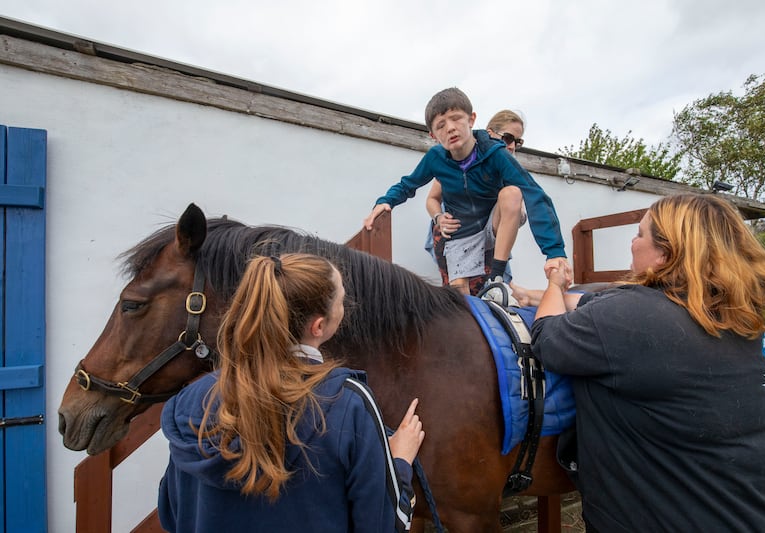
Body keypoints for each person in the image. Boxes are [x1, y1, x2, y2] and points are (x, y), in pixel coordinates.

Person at [530, 193, 765, 532]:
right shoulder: (737, 313)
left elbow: (547, 336)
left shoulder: (632, 318)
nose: (632, 242)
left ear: (666, 253)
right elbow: (607, 301)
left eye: (640, 234)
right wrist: (560, 295)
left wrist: (553, 285)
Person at [158, 253, 425, 533]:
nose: (344, 307)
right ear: (319, 326)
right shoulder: (349, 403)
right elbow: (384, 525)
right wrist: (399, 463)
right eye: (341, 301)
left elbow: (171, 514)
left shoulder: (189, 402)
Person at [363, 88, 571, 306]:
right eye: (441, 126)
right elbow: (408, 184)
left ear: (471, 119)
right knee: (462, 302)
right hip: (461, 232)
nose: (450, 128)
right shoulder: (436, 159)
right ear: (434, 135)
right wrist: (385, 201)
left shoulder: (495, 154)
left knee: (512, 193)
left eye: (456, 119)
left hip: (492, 226)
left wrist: (554, 251)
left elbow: (533, 192)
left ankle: (496, 278)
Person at [424, 109, 528, 295]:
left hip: (489, 240)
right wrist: (438, 217)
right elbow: (432, 198)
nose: (512, 146)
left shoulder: (507, 168)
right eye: (507, 138)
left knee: (504, 293)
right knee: (462, 295)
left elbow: (516, 211)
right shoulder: (462, 160)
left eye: (517, 142)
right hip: (456, 233)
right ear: (490, 133)